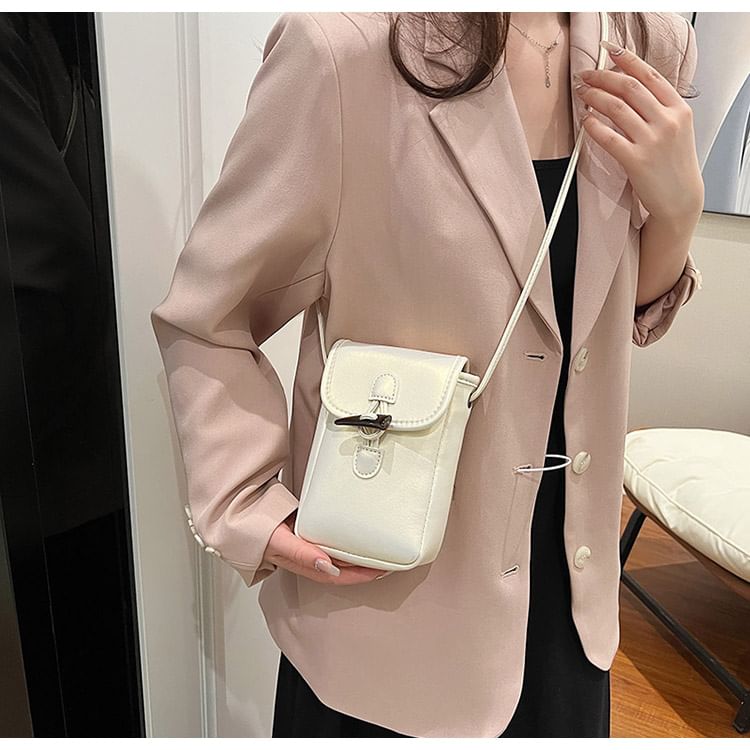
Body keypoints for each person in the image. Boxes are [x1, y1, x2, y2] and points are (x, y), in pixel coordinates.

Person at [151, 11, 703, 738]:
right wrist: (249, 502)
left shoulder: (649, 43)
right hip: (394, 615)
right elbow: (208, 315)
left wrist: (679, 210)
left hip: (574, 610)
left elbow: (610, 311)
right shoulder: (343, 52)